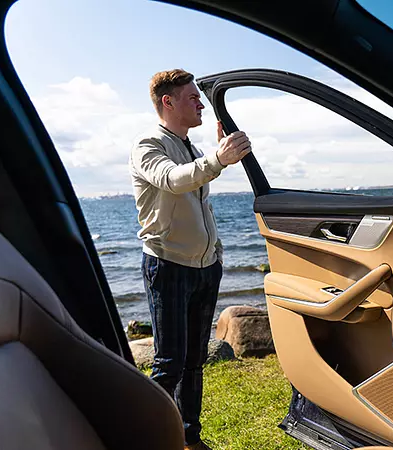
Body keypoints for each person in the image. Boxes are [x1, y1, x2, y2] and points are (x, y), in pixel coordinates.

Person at [129, 69, 251, 450]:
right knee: (169, 364)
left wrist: (215, 255)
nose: (200, 103)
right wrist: (217, 158)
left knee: (195, 361)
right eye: (192, 97)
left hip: (204, 268)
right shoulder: (147, 145)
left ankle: (188, 439)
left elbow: (196, 187)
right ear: (168, 102)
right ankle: (140, 437)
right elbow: (173, 180)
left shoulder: (192, 148)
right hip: (167, 266)